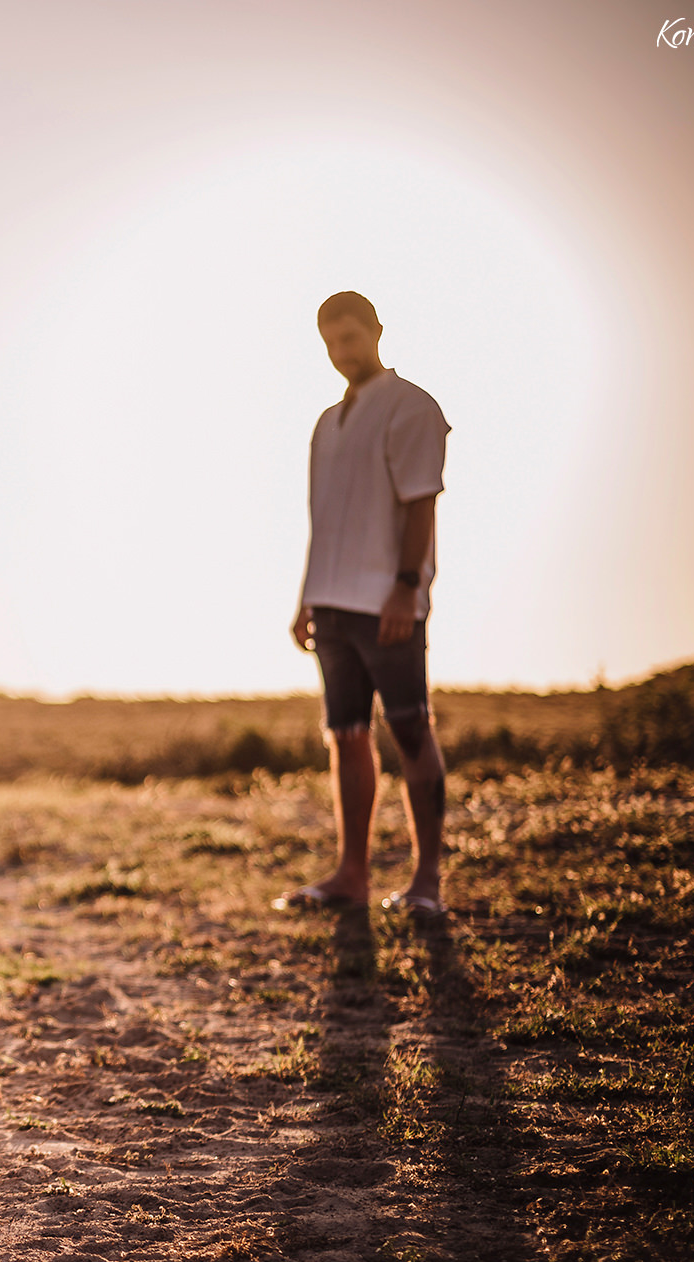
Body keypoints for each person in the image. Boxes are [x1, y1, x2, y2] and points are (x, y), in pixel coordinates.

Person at [278, 291, 450, 922]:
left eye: (350, 337)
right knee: (346, 734)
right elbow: (322, 520)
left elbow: (420, 501)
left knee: (410, 727)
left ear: (376, 330)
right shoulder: (328, 422)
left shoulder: (412, 407)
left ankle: (426, 882)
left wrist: (406, 586)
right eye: (330, 342)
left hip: (387, 602)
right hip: (331, 602)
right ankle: (352, 875)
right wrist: (306, 598)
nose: (341, 352)